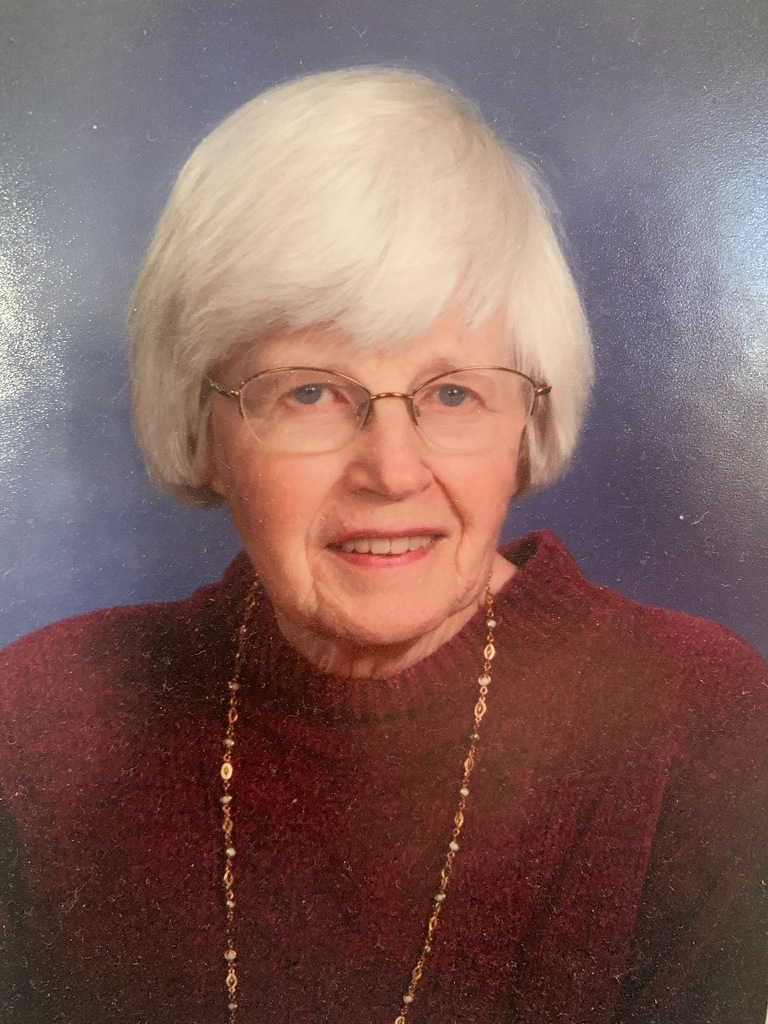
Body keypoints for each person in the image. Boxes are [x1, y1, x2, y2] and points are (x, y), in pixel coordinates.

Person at [0, 67, 766, 1024]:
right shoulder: (40, 720)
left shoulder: (704, 726)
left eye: (453, 393)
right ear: (203, 427)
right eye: (309, 391)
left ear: (526, 423)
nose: (393, 472)